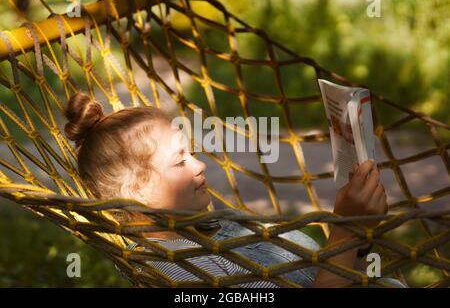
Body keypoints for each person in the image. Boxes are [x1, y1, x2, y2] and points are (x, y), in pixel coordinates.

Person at [63, 92, 404, 288]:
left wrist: (356, 241)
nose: (199, 165)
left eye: (191, 153)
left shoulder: (217, 227)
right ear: (134, 191)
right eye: (180, 161)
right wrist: (346, 232)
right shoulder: (176, 269)